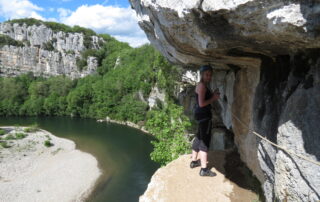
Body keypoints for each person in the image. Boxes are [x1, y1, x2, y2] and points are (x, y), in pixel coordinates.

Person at [190, 65, 220, 177]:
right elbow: (202, 103)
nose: (209, 77)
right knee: (205, 141)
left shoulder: (201, 85)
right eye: (207, 74)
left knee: (198, 136)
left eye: (210, 75)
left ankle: (194, 162)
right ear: (202, 75)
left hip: (200, 115)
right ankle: (204, 169)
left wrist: (212, 95)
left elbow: (201, 101)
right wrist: (214, 98)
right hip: (204, 116)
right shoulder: (202, 86)